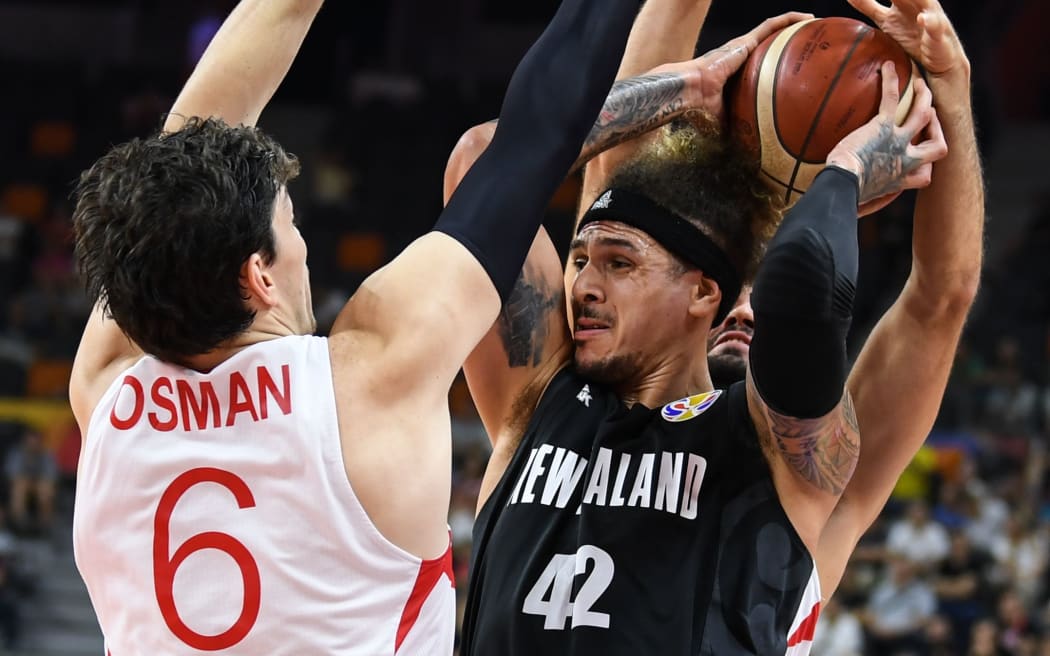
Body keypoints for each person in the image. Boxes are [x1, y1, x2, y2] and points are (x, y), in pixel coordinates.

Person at [67, 0, 642, 652]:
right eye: (291, 224)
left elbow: (171, 183)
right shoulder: (369, 376)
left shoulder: (105, 390)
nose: (303, 245)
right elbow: (531, 138)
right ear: (260, 276)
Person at [444, 8, 948, 656]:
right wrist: (684, 86)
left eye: (620, 264)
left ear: (701, 296)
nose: (584, 285)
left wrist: (870, 154)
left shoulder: (764, 448)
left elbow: (924, 298)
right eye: (580, 263)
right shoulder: (548, 397)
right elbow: (491, 163)